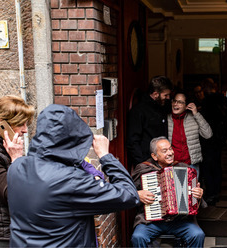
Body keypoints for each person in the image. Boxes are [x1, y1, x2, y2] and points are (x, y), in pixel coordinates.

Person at [7, 104, 140, 247]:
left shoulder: (16, 167)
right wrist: (105, 156)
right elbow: (129, 195)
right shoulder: (71, 180)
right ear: (72, 138)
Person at [131, 137, 205, 247]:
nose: (170, 153)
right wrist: (138, 194)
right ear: (154, 156)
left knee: (198, 235)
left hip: (179, 221)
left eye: (171, 149)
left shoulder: (184, 168)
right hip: (151, 222)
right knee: (138, 237)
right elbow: (128, 192)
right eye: (164, 151)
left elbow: (195, 202)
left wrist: (198, 195)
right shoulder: (143, 169)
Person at [0, 95, 35, 247]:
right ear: (0, 124)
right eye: (20, 124)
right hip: (1, 237)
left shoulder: (4, 148)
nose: (25, 130)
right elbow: (13, 195)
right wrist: (16, 159)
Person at [127, 76, 172, 166]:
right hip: (147, 162)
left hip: (163, 161)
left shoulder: (162, 106)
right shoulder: (138, 111)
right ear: (155, 94)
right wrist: (143, 164)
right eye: (165, 95)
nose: (168, 98)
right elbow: (133, 141)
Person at [168, 92, 212, 177]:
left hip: (191, 165)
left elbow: (208, 134)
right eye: (175, 101)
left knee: (192, 190)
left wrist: (196, 113)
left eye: (180, 102)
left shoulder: (193, 118)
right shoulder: (167, 118)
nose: (176, 104)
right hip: (172, 165)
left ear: (186, 106)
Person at [200, 78, 225, 205]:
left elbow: (204, 120)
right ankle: (216, 192)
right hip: (218, 137)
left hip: (208, 138)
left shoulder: (207, 101)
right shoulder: (222, 98)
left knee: (208, 166)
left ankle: (211, 193)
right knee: (216, 165)